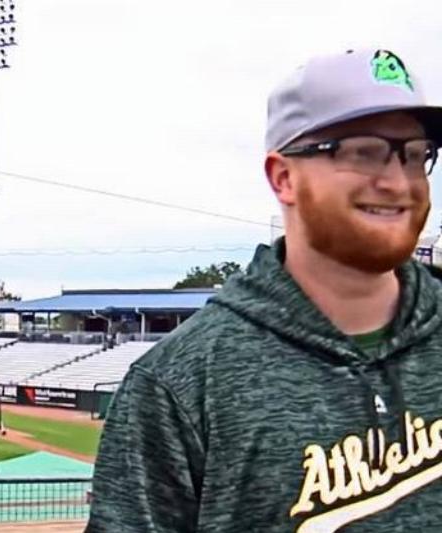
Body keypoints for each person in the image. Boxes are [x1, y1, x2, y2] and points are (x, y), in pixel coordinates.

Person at [87, 48, 442, 532]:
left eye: (416, 155)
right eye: (364, 152)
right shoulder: (182, 382)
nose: (399, 180)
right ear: (283, 177)